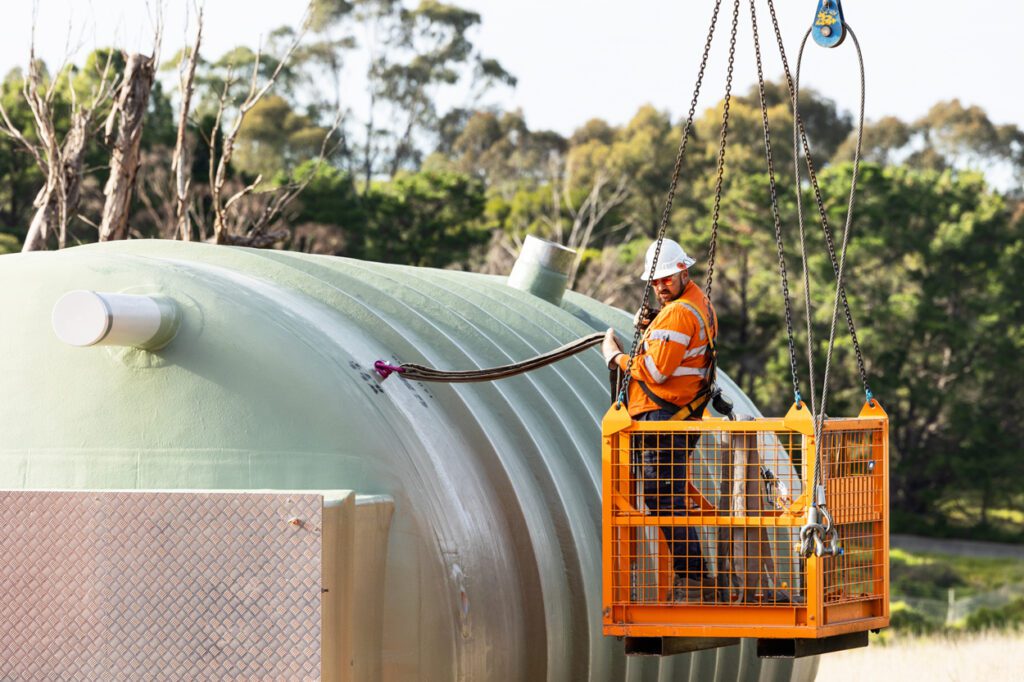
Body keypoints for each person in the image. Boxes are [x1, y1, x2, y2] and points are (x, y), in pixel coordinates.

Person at [601, 238, 720, 599]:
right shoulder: (696, 304)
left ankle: (694, 581)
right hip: (680, 415)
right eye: (654, 282)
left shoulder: (680, 313)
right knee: (668, 495)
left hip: (663, 417)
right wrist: (656, 324)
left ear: (684, 270)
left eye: (666, 279)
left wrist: (615, 358)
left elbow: (656, 370)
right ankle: (694, 578)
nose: (659, 286)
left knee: (663, 497)